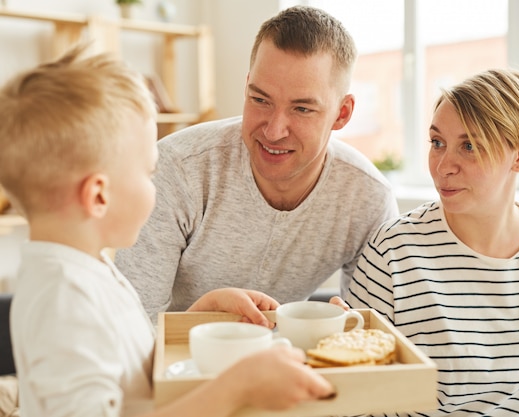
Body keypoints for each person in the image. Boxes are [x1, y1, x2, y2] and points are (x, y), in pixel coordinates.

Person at [0, 46, 334, 417]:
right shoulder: (64, 300)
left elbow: (132, 374)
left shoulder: (86, 269)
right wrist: (235, 387)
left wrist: (197, 315)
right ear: (98, 195)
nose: (155, 186)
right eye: (148, 172)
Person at [344, 69, 519, 416]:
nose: (444, 165)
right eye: (437, 143)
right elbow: (358, 396)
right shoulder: (393, 251)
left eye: (469, 146)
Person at [114, 5, 399, 324]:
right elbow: (129, 333)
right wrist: (198, 321)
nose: (274, 131)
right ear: (247, 85)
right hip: (178, 366)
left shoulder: (367, 198)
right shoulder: (176, 171)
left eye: (302, 109)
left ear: (342, 113)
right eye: (260, 100)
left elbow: (374, 336)